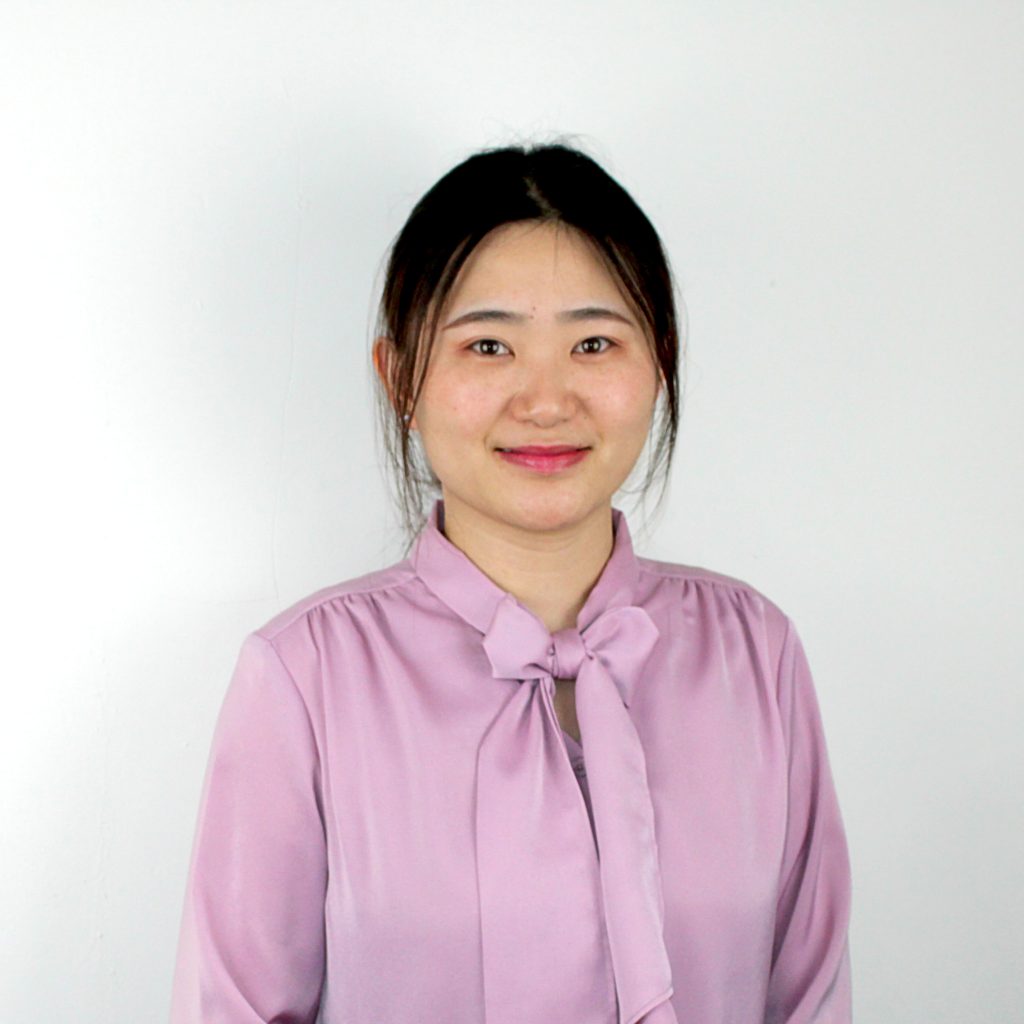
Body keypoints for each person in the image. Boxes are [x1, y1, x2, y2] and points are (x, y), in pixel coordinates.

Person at [169, 142, 852, 1024]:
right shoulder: (305, 677)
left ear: (660, 362)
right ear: (400, 377)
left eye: (594, 343)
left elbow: (811, 998)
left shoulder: (753, 655)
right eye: (488, 345)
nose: (546, 400)